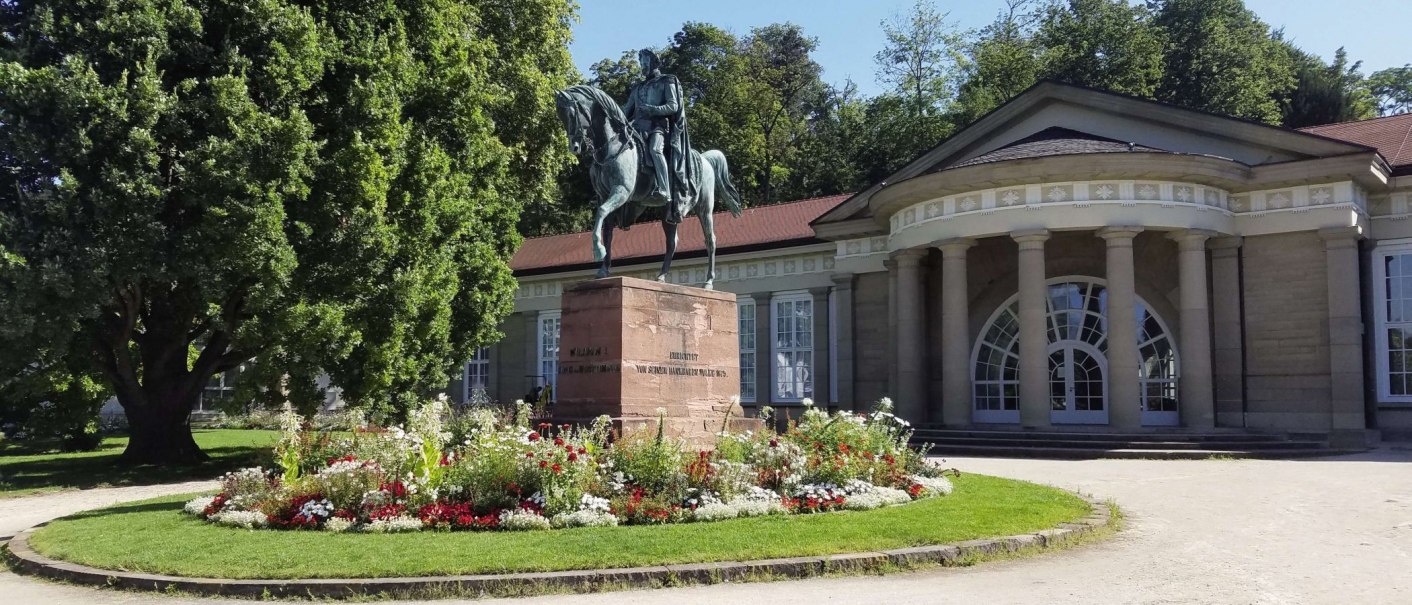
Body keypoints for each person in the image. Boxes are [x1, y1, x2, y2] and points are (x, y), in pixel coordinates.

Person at [622, 48, 694, 223]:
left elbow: (673, 105)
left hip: (658, 127)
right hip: (637, 129)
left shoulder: (667, 81)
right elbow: (626, 111)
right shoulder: (637, 88)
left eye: (645, 62)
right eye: (641, 63)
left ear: (654, 62)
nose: (642, 66)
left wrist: (653, 110)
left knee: (655, 149)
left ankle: (664, 189)